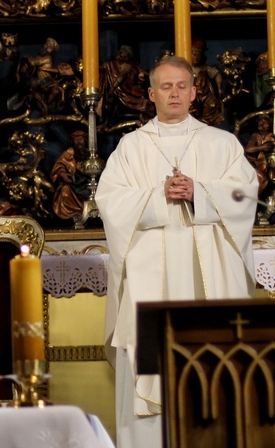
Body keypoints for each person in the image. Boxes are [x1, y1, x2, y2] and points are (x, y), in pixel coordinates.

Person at [95, 56, 257, 448]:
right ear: (151, 94)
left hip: (210, 278)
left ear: (194, 92)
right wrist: (156, 196)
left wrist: (200, 192)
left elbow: (245, 194)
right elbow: (110, 201)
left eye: (182, 85)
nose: (175, 93)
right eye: (165, 87)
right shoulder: (131, 148)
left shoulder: (222, 143)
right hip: (152, 279)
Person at [50, 130, 91, 220]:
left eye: (81, 139)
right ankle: (74, 213)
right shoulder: (68, 153)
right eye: (76, 140)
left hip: (88, 180)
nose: (79, 142)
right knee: (65, 191)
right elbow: (59, 166)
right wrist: (62, 173)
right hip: (74, 181)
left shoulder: (90, 152)